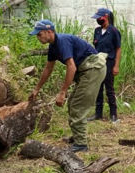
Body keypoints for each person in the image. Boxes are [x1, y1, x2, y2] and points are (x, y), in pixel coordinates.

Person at [28, 19, 107, 152]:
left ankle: (81, 144)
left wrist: (62, 92)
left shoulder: (62, 41)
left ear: (49, 32)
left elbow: (72, 67)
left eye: (39, 34)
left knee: (77, 105)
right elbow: (48, 69)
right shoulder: (53, 46)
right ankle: (77, 136)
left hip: (93, 69)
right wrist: (36, 89)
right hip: (87, 70)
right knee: (72, 103)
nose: (38, 37)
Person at [88, 8, 122, 123]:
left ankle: (113, 114)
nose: (97, 20)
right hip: (98, 63)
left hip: (109, 62)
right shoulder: (97, 31)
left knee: (109, 89)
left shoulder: (114, 31)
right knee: (98, 88)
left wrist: (116, 66)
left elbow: (118, 49)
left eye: (99, 17)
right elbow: (95, 48)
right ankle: (98, 114)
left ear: (106, 16)